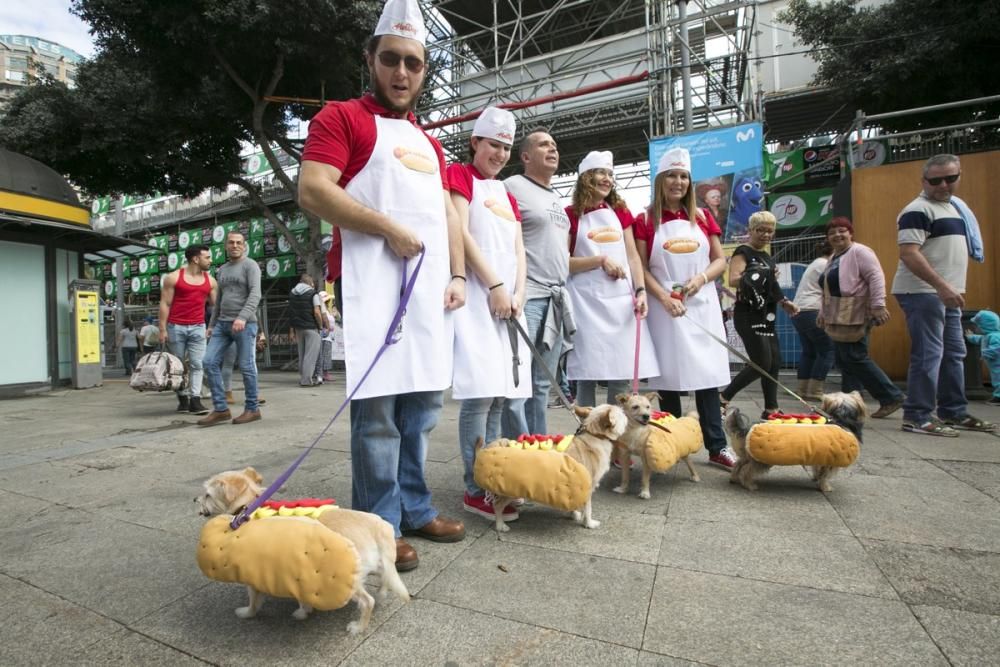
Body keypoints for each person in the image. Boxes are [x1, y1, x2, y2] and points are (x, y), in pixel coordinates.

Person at [298, 0, 468, 571]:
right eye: (391, 59)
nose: (401, 72)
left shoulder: (431, 141)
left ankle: (415, 507)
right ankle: (379, 523)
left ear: (423, 72)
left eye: (413, 64)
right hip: (372, 287)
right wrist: (387, 228)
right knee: (377, 415)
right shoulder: (341, 118)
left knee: (421, 408)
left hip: (425, 293)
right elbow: (314, 190)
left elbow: (448, 215)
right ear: (370, 58)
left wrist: (459, 273)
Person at [448, 105, 531, 522]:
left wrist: (517, 292)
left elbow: (518, 250)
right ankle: (474, 486)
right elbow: (458, 232)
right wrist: (495, 286)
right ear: (475, 142)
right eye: (493, 145)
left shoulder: (508, 195)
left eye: (506, 147)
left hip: (508, 304)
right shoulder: (459, 177)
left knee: (500, 394)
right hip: (478, 300)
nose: (499, 154)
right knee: (479, 396)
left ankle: (494, 480)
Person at [635, 147, 735, 470]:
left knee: (707, 377)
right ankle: (672, 442)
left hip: (702, 305)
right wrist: (664, 297)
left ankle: (717, 446)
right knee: (669, 378)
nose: (678, 182)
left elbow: (720, 260)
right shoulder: (646, 219)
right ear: (661, 180)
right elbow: (640, 265)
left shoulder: (703, 217)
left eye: (683, 177)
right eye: (672, 176)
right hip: (666, 309)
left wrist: (700, 279)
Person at [892, 154, 993, 436]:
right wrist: (942, 286)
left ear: (960, 176)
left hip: (946, 293)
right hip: (923, 291)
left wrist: (949, 288)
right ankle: (917, 415)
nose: (943, 185)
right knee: (929, 354)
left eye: (950, 178)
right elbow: (909, 254)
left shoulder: (957, 209)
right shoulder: (918, 209)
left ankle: (953, 411)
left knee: (954, 353)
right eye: (935, 180)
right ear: (924, 181)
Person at [564, 150, 658, 407]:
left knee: (621, 370)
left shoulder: (619, 211)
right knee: (587, 373)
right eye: (601, 173)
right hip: (586, 302)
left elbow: (633, 258)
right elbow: (564, 263)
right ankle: (587, 429)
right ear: (586, 177)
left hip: (621, 302)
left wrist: (640, 290)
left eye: (610, 174)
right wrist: (600, 260)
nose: (607, 179)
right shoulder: (570, 214)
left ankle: (618, 433)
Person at [504, 131, 573, 434]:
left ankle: (538, 449)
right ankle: (515, 453)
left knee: (543, 383)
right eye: (544, 144)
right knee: (517, 381)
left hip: (556, 300)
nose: (553, 149)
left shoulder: (556, 198)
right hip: (528, 296)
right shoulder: (511, 187)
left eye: (556, 145)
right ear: (526, 156)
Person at [818, 218, 905, 418]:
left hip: (855, 312)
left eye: (842, 231)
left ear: (851, 233)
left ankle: (891, 396)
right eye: (832, 233)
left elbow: (876, 277)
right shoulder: (834, 257)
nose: (837, 235)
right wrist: (823, 313)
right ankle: (850, 403)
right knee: (844, 359)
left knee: (856, 357)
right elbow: (827, 289)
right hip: (838, 313)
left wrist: (878, 305)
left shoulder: (860, 252)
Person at [721, 211, 800, 417]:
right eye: (761, 230)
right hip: (747, 313)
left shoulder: (766, 256)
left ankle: (770, 408)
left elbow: (771, 285)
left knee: (774, 361)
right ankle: (723, 398)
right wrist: (763, 274)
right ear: (751, 231)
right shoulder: (743, 251)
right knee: (761, 363)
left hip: (766, 313)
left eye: (770, 231)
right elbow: (734, 279)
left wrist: (784, 302)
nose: (765, 235)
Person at [198, 231, 263, 426]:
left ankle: (252, 409)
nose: (235, 246)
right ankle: (221, 409)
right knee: (209, 362)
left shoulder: (250, 266)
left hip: (245, 324)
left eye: (238, 243)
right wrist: (212, 324)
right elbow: (219, 301)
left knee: (246, 366)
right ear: (226, 246)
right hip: (222, 324)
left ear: (244, 245)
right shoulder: (222, 270)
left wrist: (242, 317)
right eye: (231, 243)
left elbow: (255, 294)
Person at [159, 244, 216, 415]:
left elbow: (217, 306)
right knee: (179, 367)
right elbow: (165, 303)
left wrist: (213, 326)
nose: (210, 260)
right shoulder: (173, 277)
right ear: (195, 259)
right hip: (176, 327)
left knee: (198, 364)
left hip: (199, 327)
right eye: (207, 257)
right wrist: (162, 329)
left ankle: (195, 400)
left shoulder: (211, 281)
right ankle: (183, 399)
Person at [792, 240, 834, 401]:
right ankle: (815, 390)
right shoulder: (827, 264)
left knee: (809, 351)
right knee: (827, 349)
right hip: (813, 309)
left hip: (799, 310)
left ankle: (802, 389)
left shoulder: (816, 263)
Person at [288, 274, 324, 387]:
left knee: (302, 354)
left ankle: (302, 376)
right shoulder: (313, 294)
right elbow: (317, 312)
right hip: (311, 327)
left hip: (298, 328)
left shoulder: (292, 294)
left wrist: (292, 330)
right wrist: (321, 325)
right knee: (310, 355)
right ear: (310, 283)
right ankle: (306, 380)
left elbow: (291, 313)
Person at [965, 310, 1000, 406]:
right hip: (995, 365)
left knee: (998, 379)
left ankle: (999, 397)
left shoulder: (995, 336)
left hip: (997, 364)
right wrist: (971, 337)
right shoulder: (988, 336)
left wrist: (985, 354)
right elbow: (981, 339)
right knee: (996, 379)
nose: (977, 327)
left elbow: (997, 349)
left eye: (978, 325)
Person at [315, 291, 337, 383]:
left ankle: (324, 373)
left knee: (326, 355)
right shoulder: (321, 310)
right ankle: (324, 373)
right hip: (324, 335)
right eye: (327, 300)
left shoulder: (327, 309)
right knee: (324, 355)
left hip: (329, 336)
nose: (328, 301)